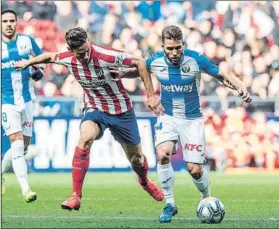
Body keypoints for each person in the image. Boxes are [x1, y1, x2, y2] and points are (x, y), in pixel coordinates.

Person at [14, 27, 165, 211]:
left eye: (86, 51)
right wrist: (29, 62)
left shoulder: (106, 55)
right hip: (95, 108)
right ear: (71, 51)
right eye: (80, 54)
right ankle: (75, 196)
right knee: (85, 137)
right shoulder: (68, 58)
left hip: (121, 110)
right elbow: (49, 56)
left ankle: (144, 180)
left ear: (88, 41)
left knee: (137, 160)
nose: (85, 57)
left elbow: (140, 62)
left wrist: (150, 96)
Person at [113, 25, 252, 223]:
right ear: (163, 46)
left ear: (183, 45)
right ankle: (170, 204)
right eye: (170, 48)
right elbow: (139, 70)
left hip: (192, 120)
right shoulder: (156, 60)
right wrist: (121, 75)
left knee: (194, 169)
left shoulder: (196, 59)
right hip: (167, 116)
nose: (174, 52)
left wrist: (240, 86)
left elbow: (221, 76)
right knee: (162, 155)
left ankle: (207, 198)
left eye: (178, 47)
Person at [1, 9, 45, 202]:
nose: (8, 24)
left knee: (24, 147)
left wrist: (39, 70)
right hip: (7, 102)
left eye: (11, 21)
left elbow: (42, 59)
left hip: (27, 100)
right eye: (5, 21)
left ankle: (1, 172)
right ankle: (26, 190)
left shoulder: (27, 41)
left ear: (16, 22)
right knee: (17, 143)